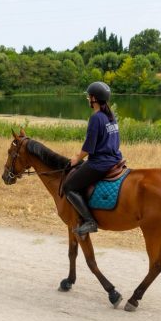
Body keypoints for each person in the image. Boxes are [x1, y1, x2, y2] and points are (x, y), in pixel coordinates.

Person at [64, 81, 123, 236]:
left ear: (94, 99)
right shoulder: (110, 116)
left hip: (100, 163)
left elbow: (89, 146)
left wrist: (77, 158)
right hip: (114, 159)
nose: (88, 99)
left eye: (88, 96)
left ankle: (90, 221)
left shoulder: (96, 118)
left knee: (69, 187)